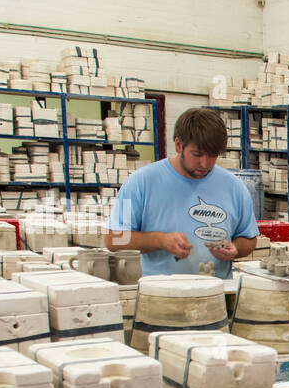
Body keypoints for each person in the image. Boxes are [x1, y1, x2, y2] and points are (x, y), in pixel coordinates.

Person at [106, 107, 258, 278]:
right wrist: (160, 240)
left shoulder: (235, 187)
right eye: (197, 154)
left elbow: (249, 238)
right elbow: (113, 239)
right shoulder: (140, 182)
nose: (205, 164)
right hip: (161, 295)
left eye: (212, 156)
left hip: (215, 295)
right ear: (178, 145)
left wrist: (236, 249)